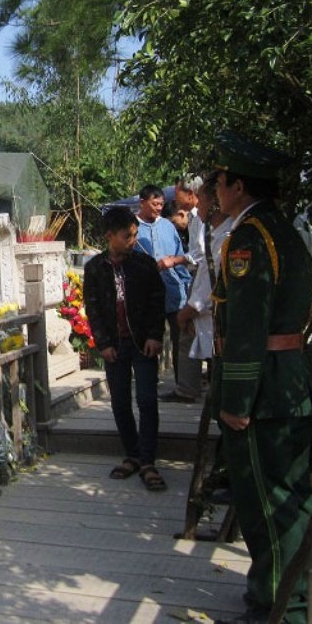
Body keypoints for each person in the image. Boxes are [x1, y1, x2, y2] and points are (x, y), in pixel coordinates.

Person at [210, 132, 312, 624]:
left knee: (265, 504)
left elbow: (249, 328)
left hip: (263, 389)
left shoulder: (249, 239)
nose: (214, 190)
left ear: (237, 184)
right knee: (290, 495)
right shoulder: (286, 232)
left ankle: (278, 605)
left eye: (219, 181)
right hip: (287, 381)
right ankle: (290, 594)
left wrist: (236, 400)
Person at [83, 206, 168, 491]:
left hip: (143, 343)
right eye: (127, 236)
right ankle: (132, 455)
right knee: (120, 402)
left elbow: (158, 301)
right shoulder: (94, 268)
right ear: (110, 236)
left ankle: (148, 461)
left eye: (135, 235)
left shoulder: (144, 265)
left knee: (146, 400)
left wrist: (155, 336)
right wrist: (102, 343)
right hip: (114, 347)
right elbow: (92, 308)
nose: (133, 240)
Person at [168, 175, 233, 400]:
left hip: (213, 309)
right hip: (206, 303)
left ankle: (192, 390)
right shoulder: (210, 228)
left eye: (201, 200)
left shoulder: (225, 235)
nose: (197, 204)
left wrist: (186, 313)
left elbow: (209, 278)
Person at [134, 185, 195, 398]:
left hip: (174, 292)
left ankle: (183, 386)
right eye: (154, 204)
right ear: (142, 202)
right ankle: (149, 383)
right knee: (149, 338)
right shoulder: (132, 227)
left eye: (161, 204)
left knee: (181, 339)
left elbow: (181, 257)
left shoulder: (168, 227)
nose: (159, 208)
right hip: (146, 296)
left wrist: (186, 284)